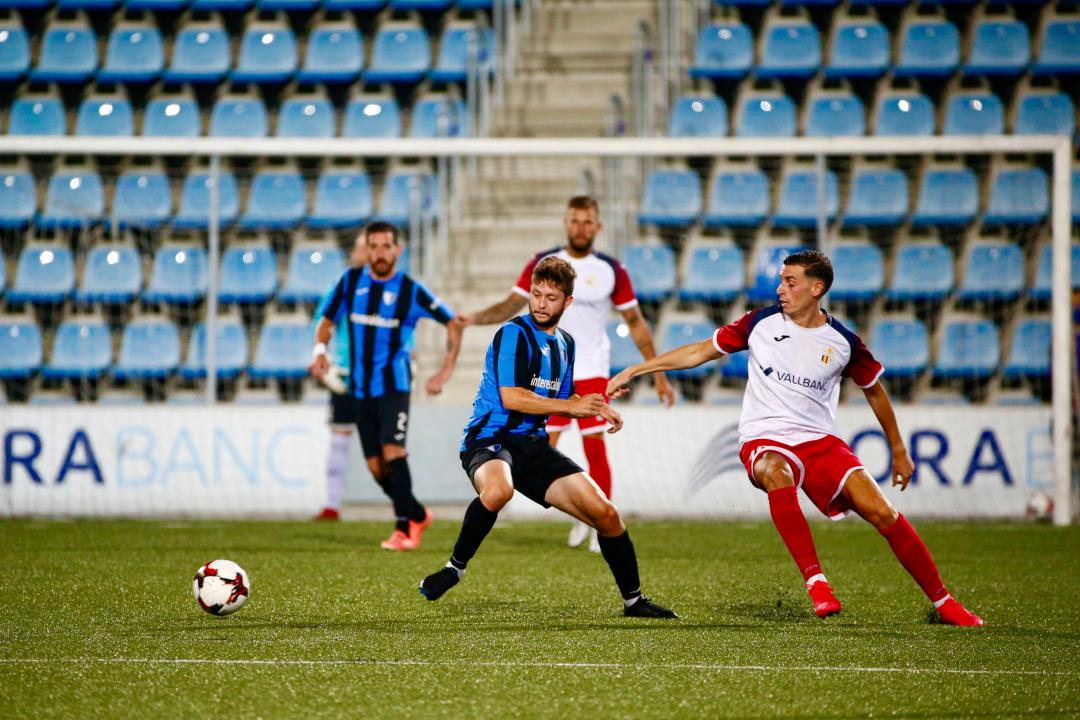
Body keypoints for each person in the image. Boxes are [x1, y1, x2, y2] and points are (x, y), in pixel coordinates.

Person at [607, 250, 984, 626]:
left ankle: (944, 602)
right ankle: (817, 582)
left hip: (820, 440)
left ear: (816, 288)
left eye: (790, 282)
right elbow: (698, 351)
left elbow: (875, 391)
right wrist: (638, 369)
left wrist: (899, 450)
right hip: (764, 436)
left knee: (882, 511)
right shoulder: (760, 323)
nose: (780, 288)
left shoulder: (843, 342)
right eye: (781, 280)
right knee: (776, 470)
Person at [418, 257, 677, 618]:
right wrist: (574, 407)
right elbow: (513, 397)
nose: (540, 303)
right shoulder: (513, 334)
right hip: (490, 439)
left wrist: (596, 405)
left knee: (607, 515)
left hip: (533, 447)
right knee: (498, 491)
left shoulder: (566, 344)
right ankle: (454, 568)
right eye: (536, 294)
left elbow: (561, 401)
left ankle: (634, 601)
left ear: (567, 302)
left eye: (550, 297)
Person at [459, 195, 674, 553]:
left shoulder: (611, 270)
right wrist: (474, 318)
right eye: (575, 220)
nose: (581, 227)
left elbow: (635, 322)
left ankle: (594, 523)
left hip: (590, 369)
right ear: (566, 222)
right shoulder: (545, 265)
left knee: (595, 446)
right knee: (543, 444)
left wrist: (659, 373)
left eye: (588, 221)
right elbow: (511, 305)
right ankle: (528, 499)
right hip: (548, 374)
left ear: (598, 226)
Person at [310, 221, 463, 551]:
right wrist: (320, 351)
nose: (379, 253)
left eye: (385, 246)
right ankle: (418, 514)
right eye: (373, 246)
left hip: (394, 385)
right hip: (360, 388)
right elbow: (326, 320)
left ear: (398, 250)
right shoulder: (350, 282)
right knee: (376, 467)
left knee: (393, 453)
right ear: (366, 249)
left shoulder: (410, 290)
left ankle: (403, 528)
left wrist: (445, 371)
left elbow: (453, 321)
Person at [313, 233, 367, 521]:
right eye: (362, 248)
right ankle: (332, 505)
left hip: (379, 377)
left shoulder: (393, 289)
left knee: (388, 448)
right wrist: (326, 359)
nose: (367, 253)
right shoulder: (342, 288)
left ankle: (403, 511)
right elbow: (322, 323)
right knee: (340, 439)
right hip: (346, 375)